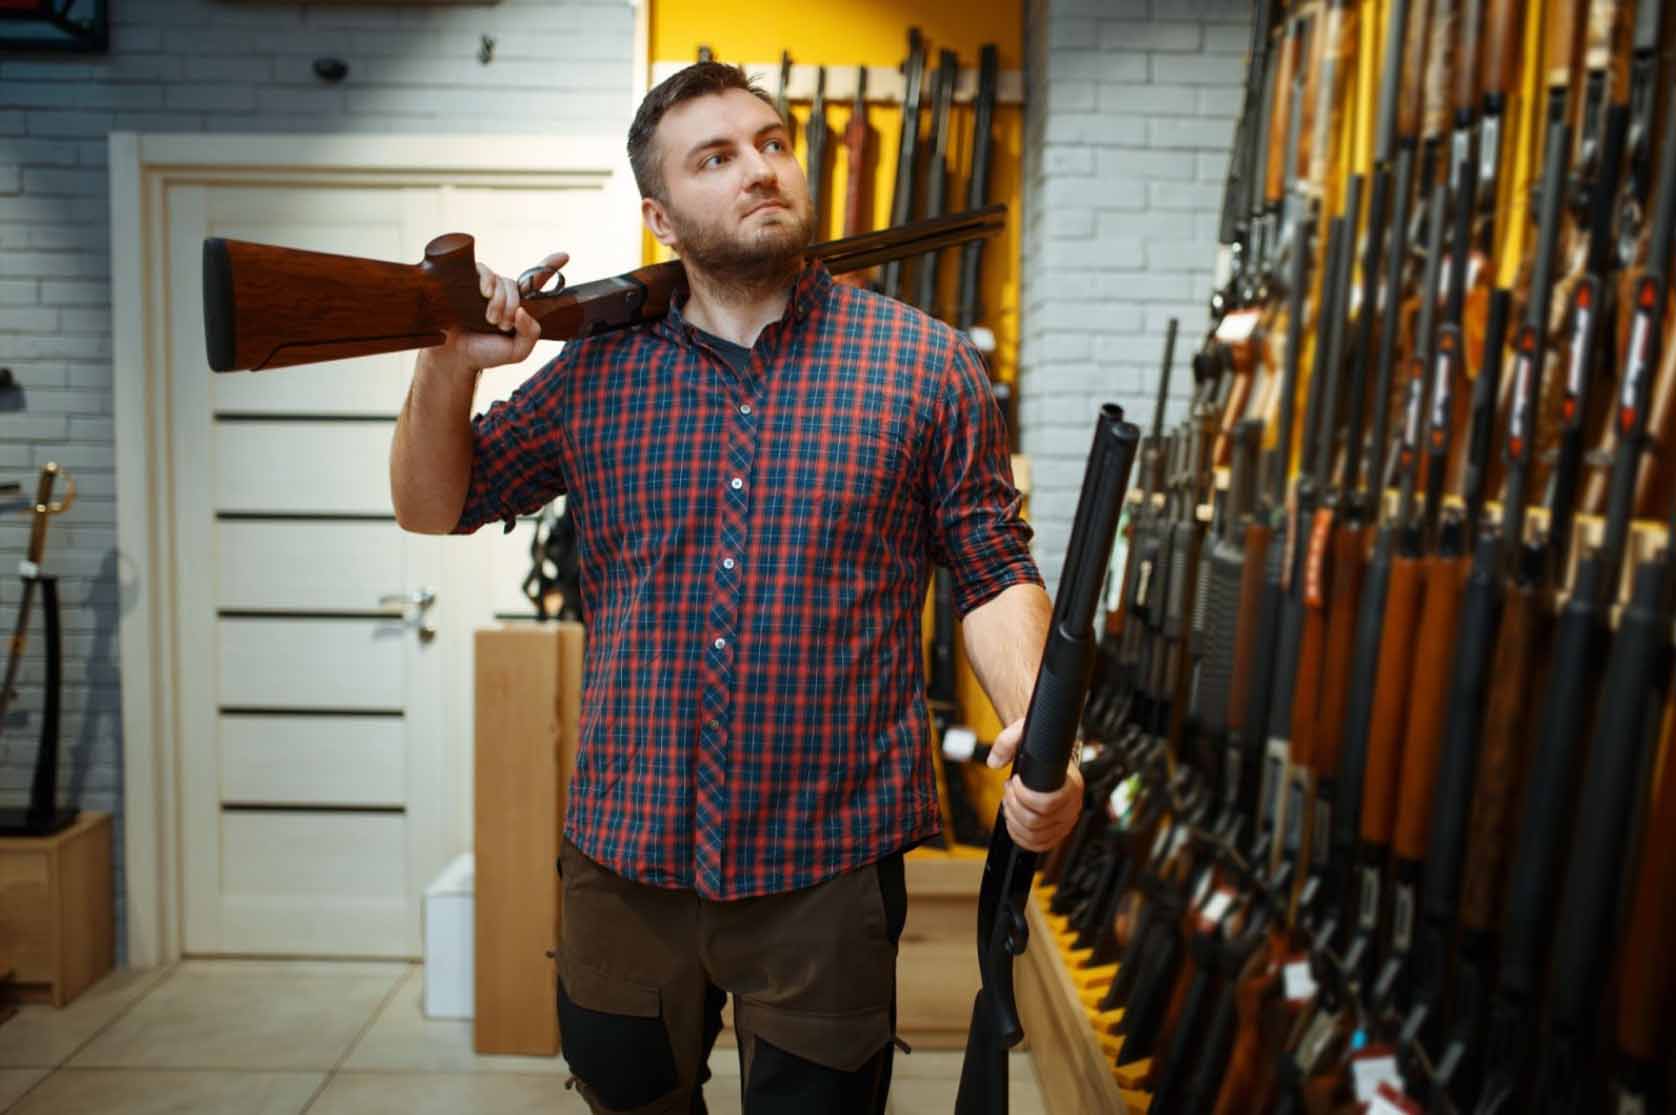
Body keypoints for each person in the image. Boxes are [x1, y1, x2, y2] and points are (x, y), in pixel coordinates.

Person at [390, 61, 1084, 1115]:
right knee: (627, 1095)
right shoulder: (595, 372)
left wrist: (1040, 727)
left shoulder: (925, 366)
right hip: (623, 853)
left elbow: (991, 570)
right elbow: (435, 504)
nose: (758, 169)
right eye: (715, 158)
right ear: (661, 216)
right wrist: (451, 360)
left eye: (770, 143)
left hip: (827, 857)